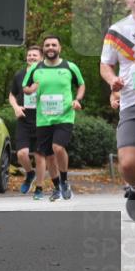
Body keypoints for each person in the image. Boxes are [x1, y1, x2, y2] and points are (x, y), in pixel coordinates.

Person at [23, 35, 85, 202]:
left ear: (60, 48)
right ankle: (57, 186)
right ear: (43, 49)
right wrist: (31, 89)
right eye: (47, 45)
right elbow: (25, 88)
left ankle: (64, 181)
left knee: (58, 147)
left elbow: (81, 84)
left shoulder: (69, 67)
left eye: (54, 45)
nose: (50, 48)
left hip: (65, 115)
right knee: (49, 155)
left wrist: (77, 100)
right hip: (43, 118)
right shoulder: (35, 68)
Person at [100, 0, 135, 221]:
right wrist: (112, 81)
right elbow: (105, 65)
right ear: (127, 0)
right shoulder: (117, 31)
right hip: (132, 103)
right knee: (127, 164)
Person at [9, 45, 43, 194]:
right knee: (21, 153)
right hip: (24, 118)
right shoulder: (20, 75)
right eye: (29, 55)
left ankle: (39, 187)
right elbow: (12, 95)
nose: (31, 57)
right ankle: (30, 173)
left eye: (35, 55)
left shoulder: (46, 74)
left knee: (39, 155)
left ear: (41, 58)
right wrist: (16, 107)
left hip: (42, 119)